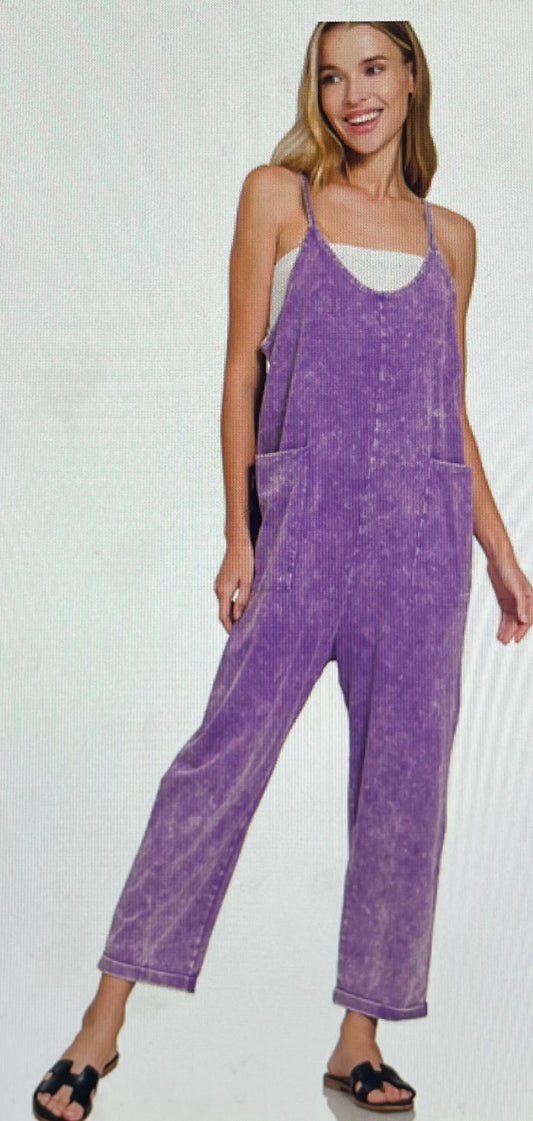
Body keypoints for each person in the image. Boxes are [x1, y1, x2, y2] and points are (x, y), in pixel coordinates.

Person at [33, 20, 533, 1120]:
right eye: (332, 76)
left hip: (421, 547)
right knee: (217, 763)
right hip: (301, 530)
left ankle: (358, 1040)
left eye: (373, 68)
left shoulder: (451, 238)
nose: (354, 95)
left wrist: (499, 552)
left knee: (405, 790)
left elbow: (447, 410)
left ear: (411, 76)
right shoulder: (279, 199)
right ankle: (101, 1024)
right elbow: (238, 371)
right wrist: (238, 531)